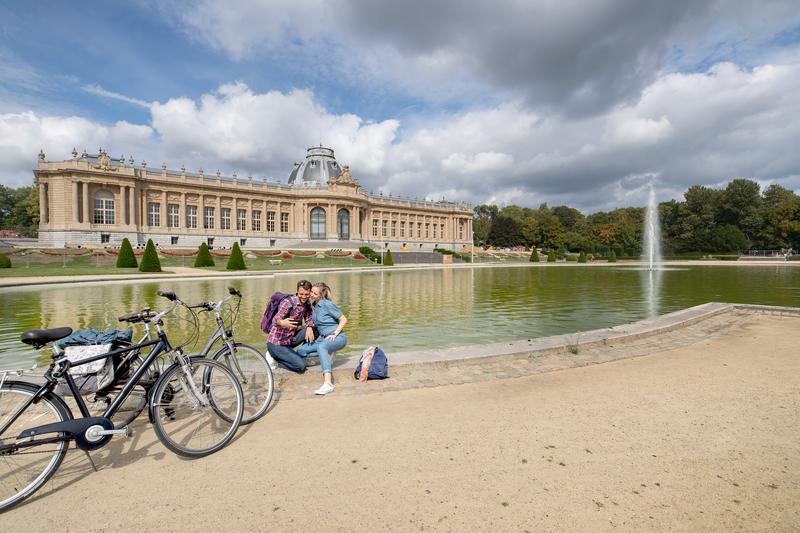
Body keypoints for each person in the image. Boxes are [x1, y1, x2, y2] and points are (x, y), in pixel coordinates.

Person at [296, 282, 347, 395]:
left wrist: (335, 333)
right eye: (311, 292)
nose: (311, 295)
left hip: (338, 338)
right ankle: (328, 355)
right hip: (323, 339)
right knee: (301, 351)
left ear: (320, 295)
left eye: (315, 293)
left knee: (322, 346)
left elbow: (343, 319)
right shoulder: (313, 306)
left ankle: (328, 383)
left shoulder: (326, 304)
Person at [266, 280, 315, 373]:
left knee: (314, 329)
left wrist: (309, 327)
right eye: (301, 294)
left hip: (289, 339)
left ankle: (302, 353)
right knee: (301, 366)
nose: (304, 297)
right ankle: (274, 356)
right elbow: (275, 319)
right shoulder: (288, 302)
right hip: (277, 343)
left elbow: (309, 318)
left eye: (307, 294)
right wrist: (282, 322)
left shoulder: (307, 304)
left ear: (310, 292)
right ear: (297, 291)